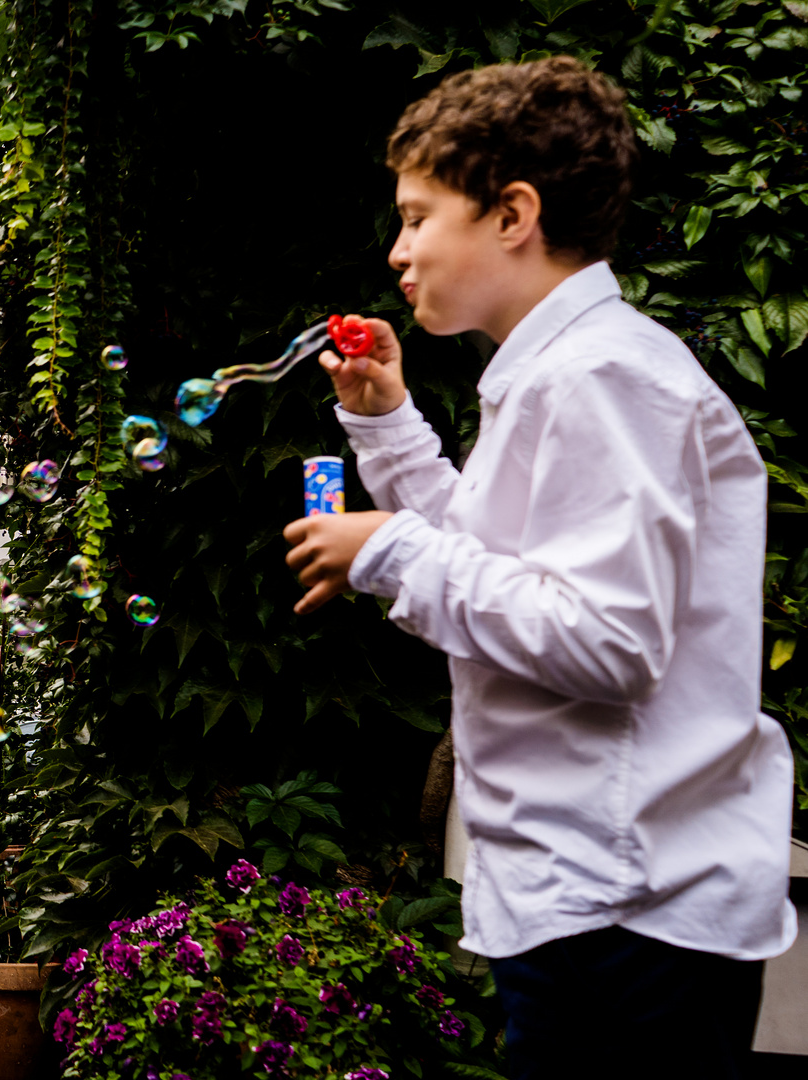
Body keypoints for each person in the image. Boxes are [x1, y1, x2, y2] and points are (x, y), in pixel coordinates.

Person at [282, 57, 794, 1078]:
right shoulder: (563, 375)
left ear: (512, 213)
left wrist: (387, 545)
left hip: (633, 914)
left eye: (419, 217)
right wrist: (385, 428)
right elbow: (494, 564)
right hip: (595, 900)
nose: (397, 251)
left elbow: (607, 643)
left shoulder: (603, 378)